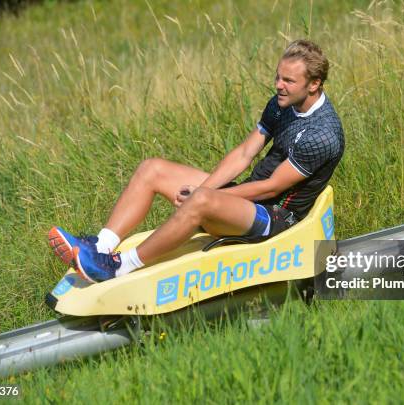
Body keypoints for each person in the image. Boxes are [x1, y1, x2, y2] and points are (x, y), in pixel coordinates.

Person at [48, 39, 345, 283]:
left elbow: (270, 188)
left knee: (201, 200)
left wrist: (205, 196)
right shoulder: (282, 103)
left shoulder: (322, 134)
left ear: (314, 84)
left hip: (277, 219)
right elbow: (244, 153)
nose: (279, 85)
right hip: (249, 201)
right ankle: (100, 247)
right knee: (151, 169)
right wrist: (203, 188)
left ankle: (116, 266)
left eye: (288, 80)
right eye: (277, 76)